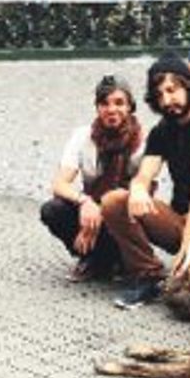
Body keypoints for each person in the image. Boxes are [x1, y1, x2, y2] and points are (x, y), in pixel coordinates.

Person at [100, 52, 190, 309]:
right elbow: (145, 173)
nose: (167, 101)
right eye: (159, 95)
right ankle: (148, 275)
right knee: (113, 201)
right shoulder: (162, 131)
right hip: (179, 222)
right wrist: (139, 189)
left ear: (189, 86)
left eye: (172, 90)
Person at [40, 75, 143, 282]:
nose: (111, 110)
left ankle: (122, 259)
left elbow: (142, 193)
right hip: (91, 209)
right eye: (104, 103)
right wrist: (85, 201)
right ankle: (92, 258)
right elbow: (59, 184)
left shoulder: (143, 143)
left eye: (119, 103)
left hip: (125, 213)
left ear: (131, 107)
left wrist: (104, 209)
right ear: (97, 107)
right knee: (53, 210)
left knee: (124, 214)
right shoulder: (82, 136)